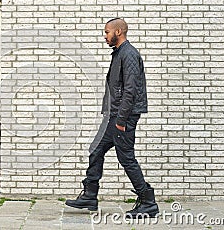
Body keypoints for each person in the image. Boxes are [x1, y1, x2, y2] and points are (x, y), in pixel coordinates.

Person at [65, 18, 159, 218]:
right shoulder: (119, 53)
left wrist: (122, 120)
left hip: (122, 116)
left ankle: (148, 201)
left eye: (107, 32)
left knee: (126, 158)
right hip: (114, 115)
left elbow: (131, 90)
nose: (104, 36)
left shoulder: (129, 54)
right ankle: (90, 195)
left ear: (118, 31)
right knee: (96, 149)